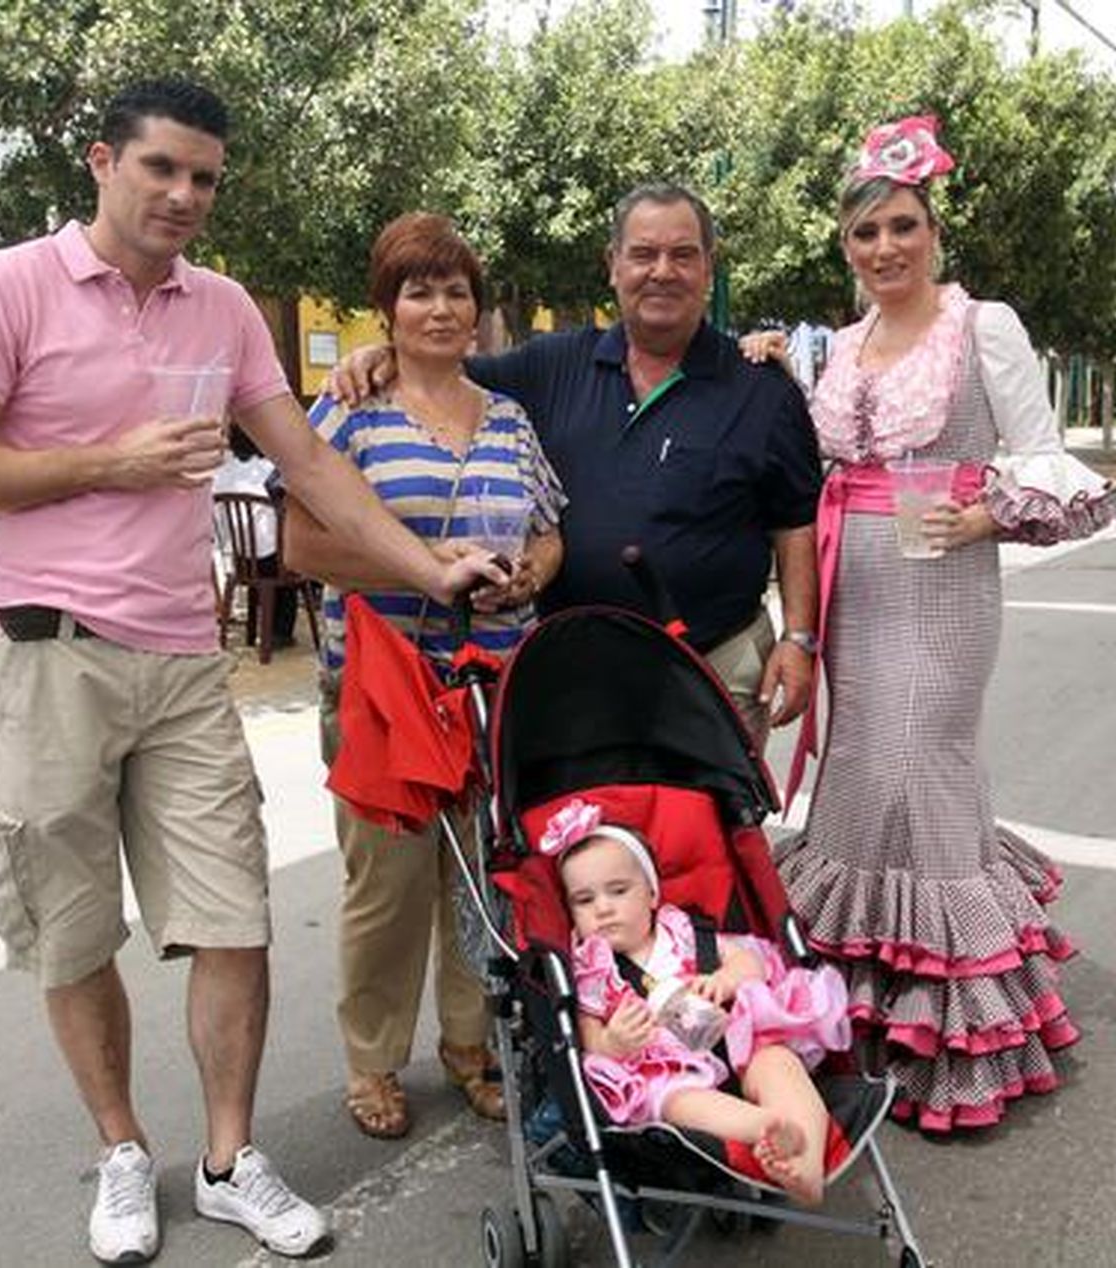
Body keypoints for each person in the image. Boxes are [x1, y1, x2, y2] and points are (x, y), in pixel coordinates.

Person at [0, 81, 500, 1264]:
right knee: (74, 933)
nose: (183, 194)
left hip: (182, 658)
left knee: (234, 918)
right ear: (102, 162)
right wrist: (108, 461)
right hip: (42, 650)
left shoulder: (220, 308)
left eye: (204, 177)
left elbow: (311, 463)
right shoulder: (6, 285)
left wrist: (430, 569)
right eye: (161, 168)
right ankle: (123, 1148)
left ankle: (228, 1159)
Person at [742, 116, 1112, 1132]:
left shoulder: (983, 325)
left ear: (933, 231)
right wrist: (768, 370)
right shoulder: (842, 343)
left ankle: (955, 1040)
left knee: (917, 769)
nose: (885, 247)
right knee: (860, 779)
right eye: (865, 233)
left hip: (944, 586)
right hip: (853, 585)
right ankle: (859, 1026)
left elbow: (1043, 455)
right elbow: (823, 456)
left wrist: (986, 514)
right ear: (846, 246)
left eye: (903, 226)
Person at [329, 184, 824, 746]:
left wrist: (799, 639)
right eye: (643, 254)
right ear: (613, 264)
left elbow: (795, 522)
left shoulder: (761, 389)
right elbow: (441, 372)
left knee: (709, 811)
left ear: (709, 267)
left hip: (715, 669)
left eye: (683, 255)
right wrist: (383, 354)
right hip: (572, 682)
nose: (662, 271)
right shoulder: (548, 366)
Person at [283, 212, 566, 1140]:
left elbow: (548, 531)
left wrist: (532, 574)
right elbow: (303, 546)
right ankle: (373, 1060)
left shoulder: (509, 418)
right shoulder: (350, 411)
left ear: (477, 311)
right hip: (385, 687)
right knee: (388, 883)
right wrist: (421, 565)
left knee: (483, 875)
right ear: (387, 309)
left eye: (455, 292)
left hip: (495, 681)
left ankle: (471, 1044)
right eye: (418, 292)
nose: (440, 309)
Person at [539, 798, 850, 1205]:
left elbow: (751, 961)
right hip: (666, 1067)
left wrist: (724, 979)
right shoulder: (594, 970)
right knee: (677, 1102)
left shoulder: (682, 932)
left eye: (618, 891)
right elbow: (589, 1038)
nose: (603, 908)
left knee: (780, 1064)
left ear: (652, 894)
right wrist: (614, 1042)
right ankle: (766, 1127)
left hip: (734, 1039)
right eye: (584, 900)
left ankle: (806, 1167)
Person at [213, 424, 298, 646]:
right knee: (289, 559)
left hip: (239, 559)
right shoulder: (271, 470)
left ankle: (257, 628)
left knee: (268, 546)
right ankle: (281, 632)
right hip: (273, 561)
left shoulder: (222, 472)